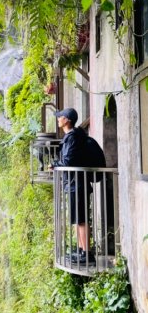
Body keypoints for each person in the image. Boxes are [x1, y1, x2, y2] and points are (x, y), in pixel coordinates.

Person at [49, 107, 94, 264]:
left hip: (78, 182)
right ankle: (82, 250)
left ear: (66, 120)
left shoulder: (73, 137)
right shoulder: (72, 136)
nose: (58, 119)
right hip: (75, 182)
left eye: (60, 117)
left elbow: (69, 160)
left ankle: (87, 254)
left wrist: (55, 164)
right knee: (77, 218)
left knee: (81, 219)